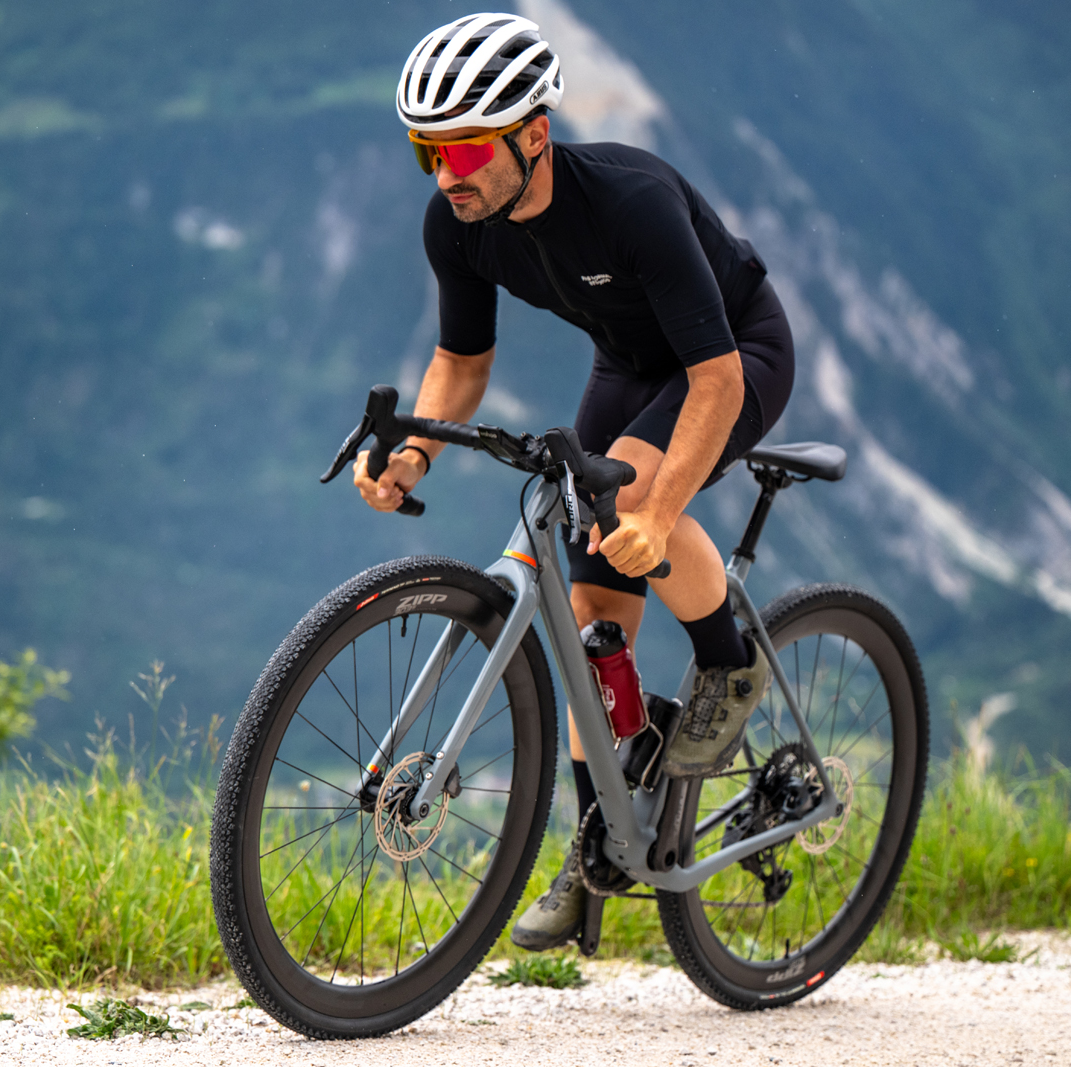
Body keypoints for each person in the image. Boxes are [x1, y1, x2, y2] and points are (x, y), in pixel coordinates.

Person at [353, 12, 795, 950]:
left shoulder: (629, 200)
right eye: (427, 149)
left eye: (467, 148)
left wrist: (660, 508)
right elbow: (460, 360)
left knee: (629, 499)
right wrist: (414, 453)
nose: (447, 174)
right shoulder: (458, 222)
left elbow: (713, 379)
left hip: (735, 353)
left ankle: (730, 660)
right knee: (594, 615)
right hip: (628, 367)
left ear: (533, 134)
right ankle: (598, 845)